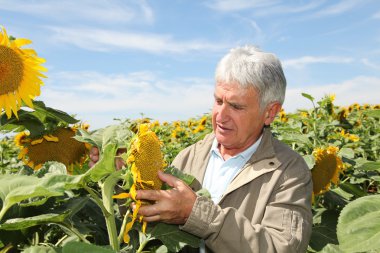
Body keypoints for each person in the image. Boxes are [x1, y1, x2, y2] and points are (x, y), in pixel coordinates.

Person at [89, 45, 313, 252]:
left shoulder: (288, 171)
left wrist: (197, 214)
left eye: (236, 106)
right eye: (218, 101)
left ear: (270, 112)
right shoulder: (190, 156)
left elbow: (282, 247)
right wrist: (119, 182)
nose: (220, 116)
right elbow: (149, 217)